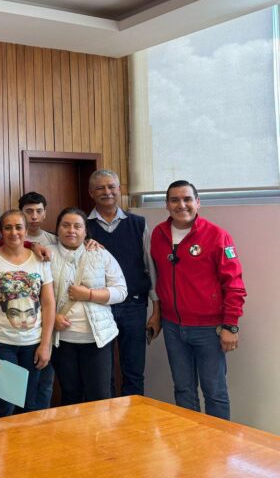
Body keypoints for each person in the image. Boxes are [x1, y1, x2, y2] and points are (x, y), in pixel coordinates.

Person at [149, 180, 246, 420]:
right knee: (183, 390)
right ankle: (191, 446)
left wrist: (230, 325)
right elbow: (159, 278)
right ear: (167, 204)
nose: (181, 205)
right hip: (173, 328)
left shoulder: (217, 235)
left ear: (197, 202)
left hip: (209, 330)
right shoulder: (158, 235)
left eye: (187, 199)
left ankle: (218, 448)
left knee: (214, 392)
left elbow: (234, 284)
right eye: (175, 200)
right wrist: (159, 314)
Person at [86, 169, 160, 397]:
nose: (107, 192)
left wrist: (156, 310)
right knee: (101, 374)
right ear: (91, 192)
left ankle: (134, 425)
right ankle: (107, 427)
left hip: (134, 307)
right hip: (99, 308)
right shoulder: (82, 226)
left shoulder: (138, 224)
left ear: (120, 190)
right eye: (100, 188)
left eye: (111, 187)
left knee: (134, 372)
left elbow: (151, 267)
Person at [0, 210, 55, 416]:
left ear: (26, 230)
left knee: (29, 406)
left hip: (33, 344)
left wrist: (45, 345)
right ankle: (0, 448)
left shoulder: (40, 260)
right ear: (1, 231)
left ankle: (24, 449)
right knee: (5, 406)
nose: (14, 232)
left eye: (19, 227)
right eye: (8, 228)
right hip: (2, 343)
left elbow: (48, 303)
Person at [50, 208, 127, 405]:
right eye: (65, 225)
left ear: (86, 231)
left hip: (97, 340)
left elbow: (121, 290)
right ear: (57, 229)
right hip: (62, 341)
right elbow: (35, 296)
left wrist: (90, 294)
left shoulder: (100, 253)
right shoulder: (46, 255)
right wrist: (51, 318)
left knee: (100, 397)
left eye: (77, 226)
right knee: (70, 395)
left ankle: (100, 437)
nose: (71, 230)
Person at [18, 191, 57, 410]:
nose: (34, 216)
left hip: (48, 321)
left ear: (45, 213)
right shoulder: (11, 237)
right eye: (29, 211)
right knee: (18, 387)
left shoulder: (54, 240)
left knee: (45, 383)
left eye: (39, 211)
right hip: (18, 321)